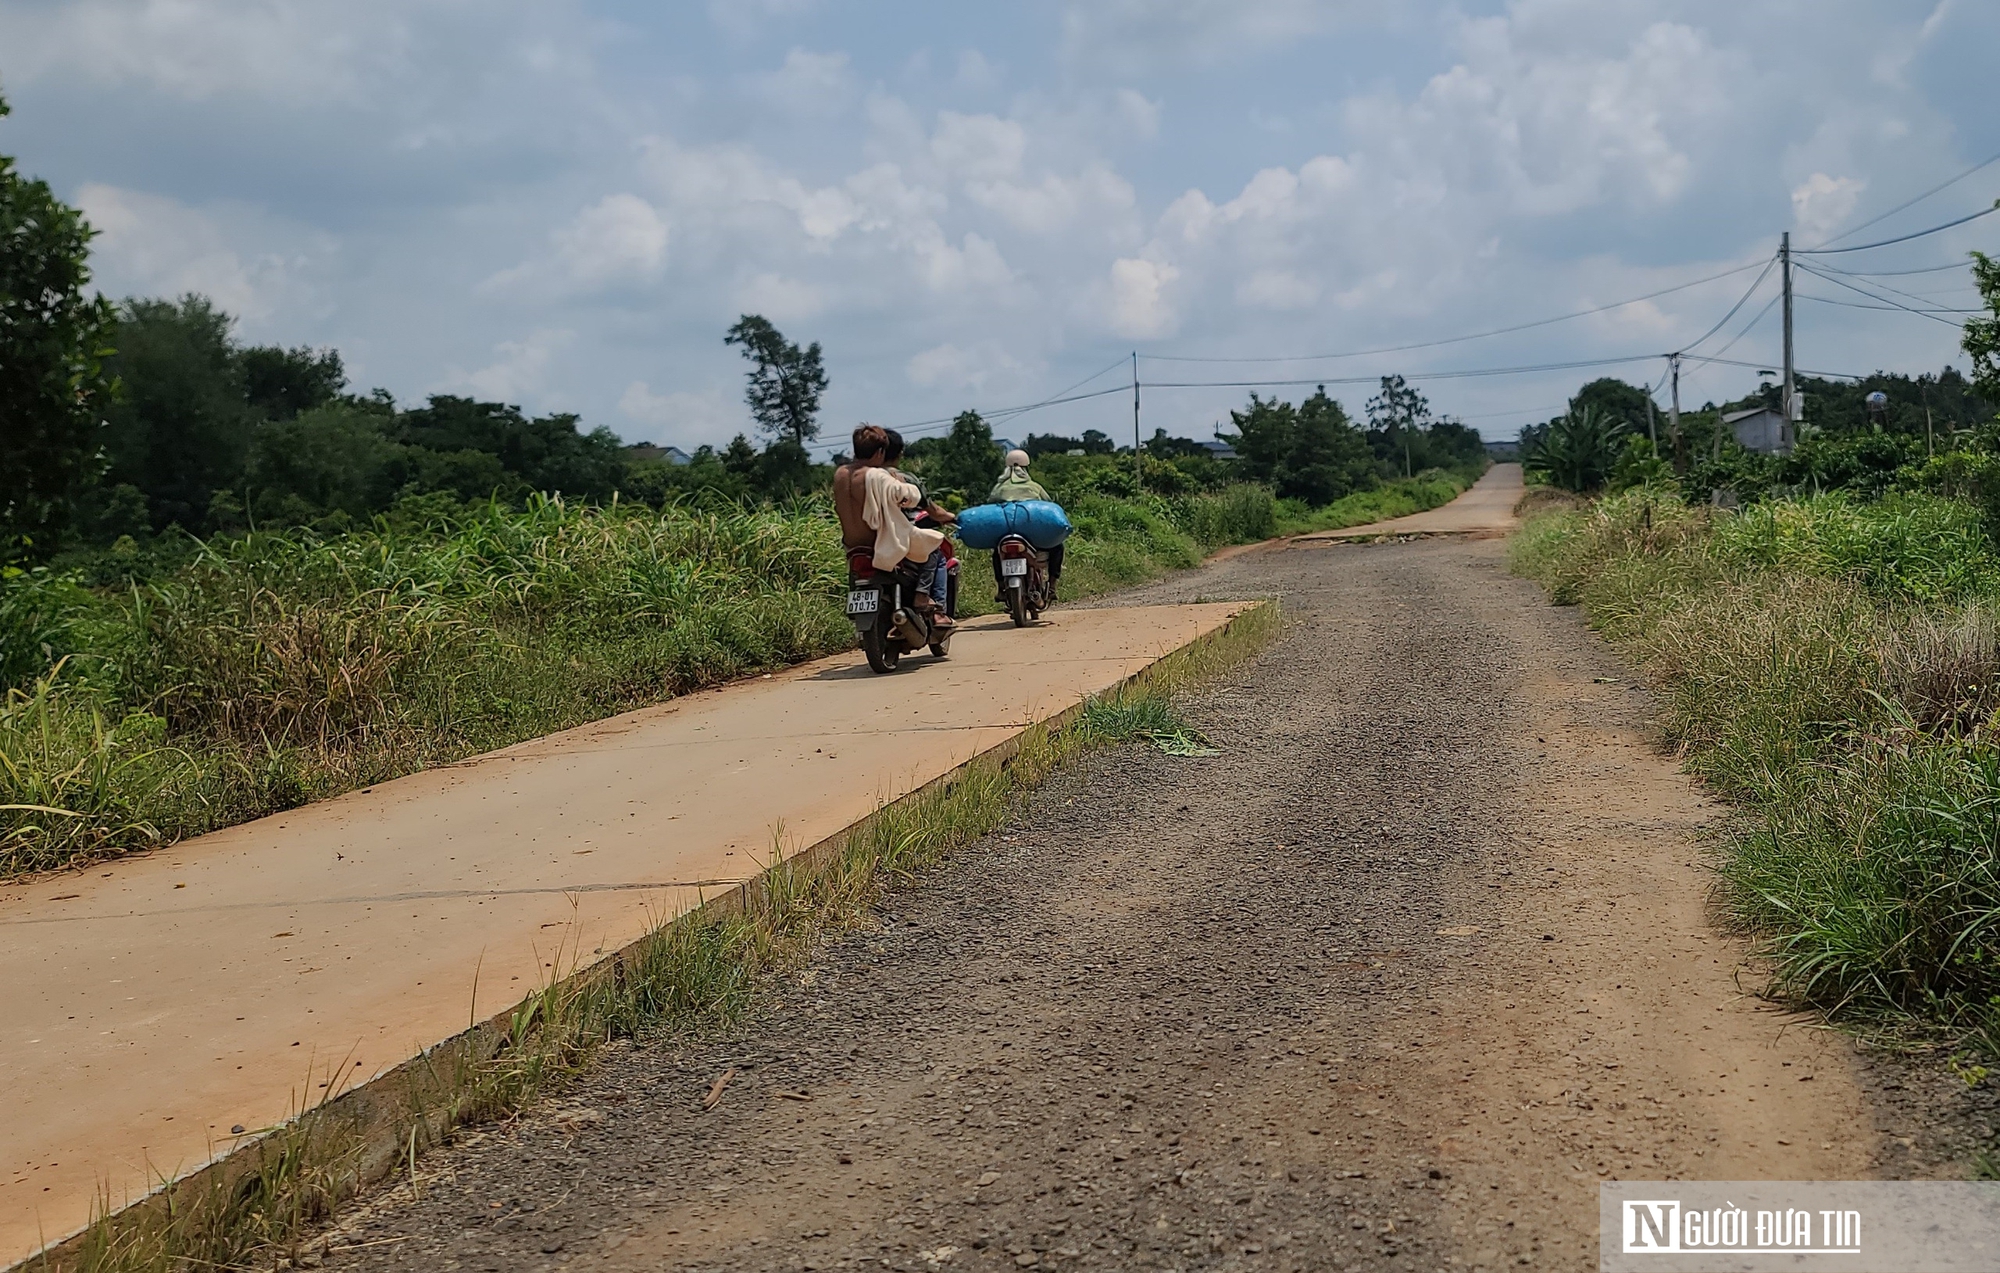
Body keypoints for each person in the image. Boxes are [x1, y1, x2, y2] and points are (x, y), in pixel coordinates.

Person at [985, 448, 1063, 593]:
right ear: (1026, 468)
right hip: (1033, 536)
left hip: (1006, 533)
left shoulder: (999, 488)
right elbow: (1049, 504)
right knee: (1057, 547)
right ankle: (1052, 585)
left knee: (997, 552)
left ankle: (1001, 587)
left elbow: (990, 506)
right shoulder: (1034, 487)